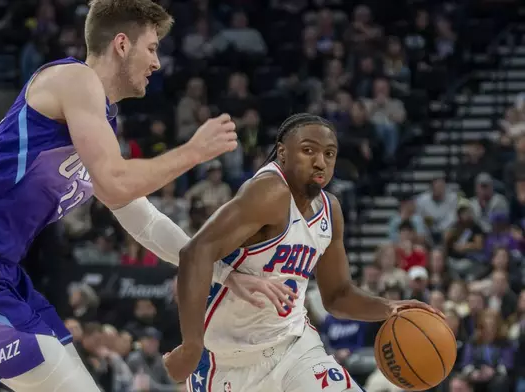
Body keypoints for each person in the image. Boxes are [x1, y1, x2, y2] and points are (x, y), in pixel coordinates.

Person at [0, 1, 292, 392]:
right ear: (122, 44)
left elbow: (144, 220)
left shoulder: (98, 121)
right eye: (153, 48)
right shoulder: (74, 79)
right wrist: (193, 151)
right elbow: (116, 183)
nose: (157, 63)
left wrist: (224, 272)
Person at [165, 114, 442, 391]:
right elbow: (195, 252)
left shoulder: (329, 210)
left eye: (329, 154)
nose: (320, 162)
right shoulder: (268, 192)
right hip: (227, 362)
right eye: (308, 150)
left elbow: (337, 296)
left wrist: (388, 308)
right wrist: (191, 345)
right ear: (282, 152)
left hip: (294, 348)